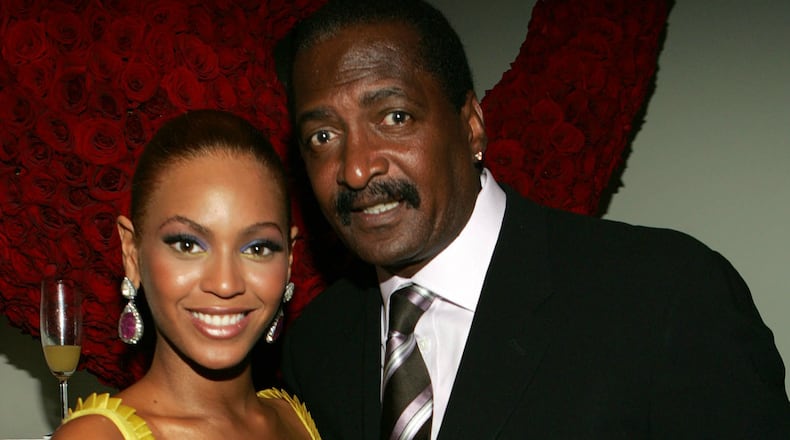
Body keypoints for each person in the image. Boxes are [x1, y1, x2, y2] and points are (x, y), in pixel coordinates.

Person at [278, 0, 790, 438]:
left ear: (472, 127)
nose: (356, 166)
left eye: (395, 117)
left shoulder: (666, 295)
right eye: (322, 136)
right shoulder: (316, 349)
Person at [53, 110, 320, 439]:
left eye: (257, 248)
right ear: (132, 253)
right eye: (188, 245)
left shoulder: (296, 419)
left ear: (290, 259)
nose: (225, 284)